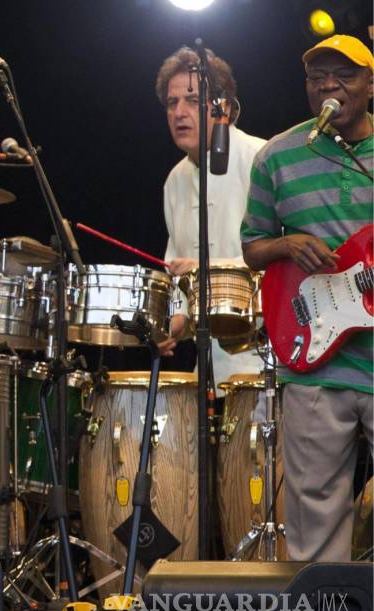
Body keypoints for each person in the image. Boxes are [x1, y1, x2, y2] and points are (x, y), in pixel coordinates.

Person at [240, 34, 373, 562]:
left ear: (370, 84)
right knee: (314, 517)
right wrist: (287, 243)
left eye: (343, 75)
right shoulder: (277, 156)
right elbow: (252, 248)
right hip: (315, 358)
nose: (328, 86)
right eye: (317, 77)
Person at [154, 46, 267, 387]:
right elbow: (178, 277)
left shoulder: (261, 158)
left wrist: (208, 271)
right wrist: (169, 327)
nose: (179, 112)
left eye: (192, 99)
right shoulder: (174, 180)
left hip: (268, 356)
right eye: (172, 103)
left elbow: (281, 253)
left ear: (224, 109)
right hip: (210, 366)